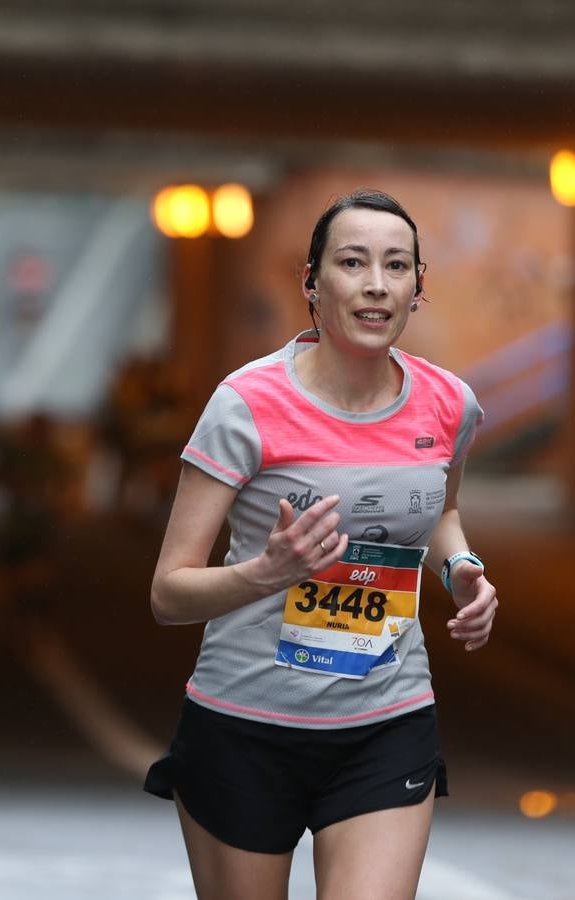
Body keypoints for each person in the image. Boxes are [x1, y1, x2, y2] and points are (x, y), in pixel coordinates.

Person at [144, 190, 497, 899]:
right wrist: (266, 572)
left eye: (396, 265)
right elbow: (168, 594)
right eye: (352, 263)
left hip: (386, 721)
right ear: (312, 282)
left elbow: (441, 510)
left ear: (417, 286)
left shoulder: (447, 403)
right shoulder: (246, 404)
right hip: (246, 724)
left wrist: (460, 566)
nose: (376, 284)